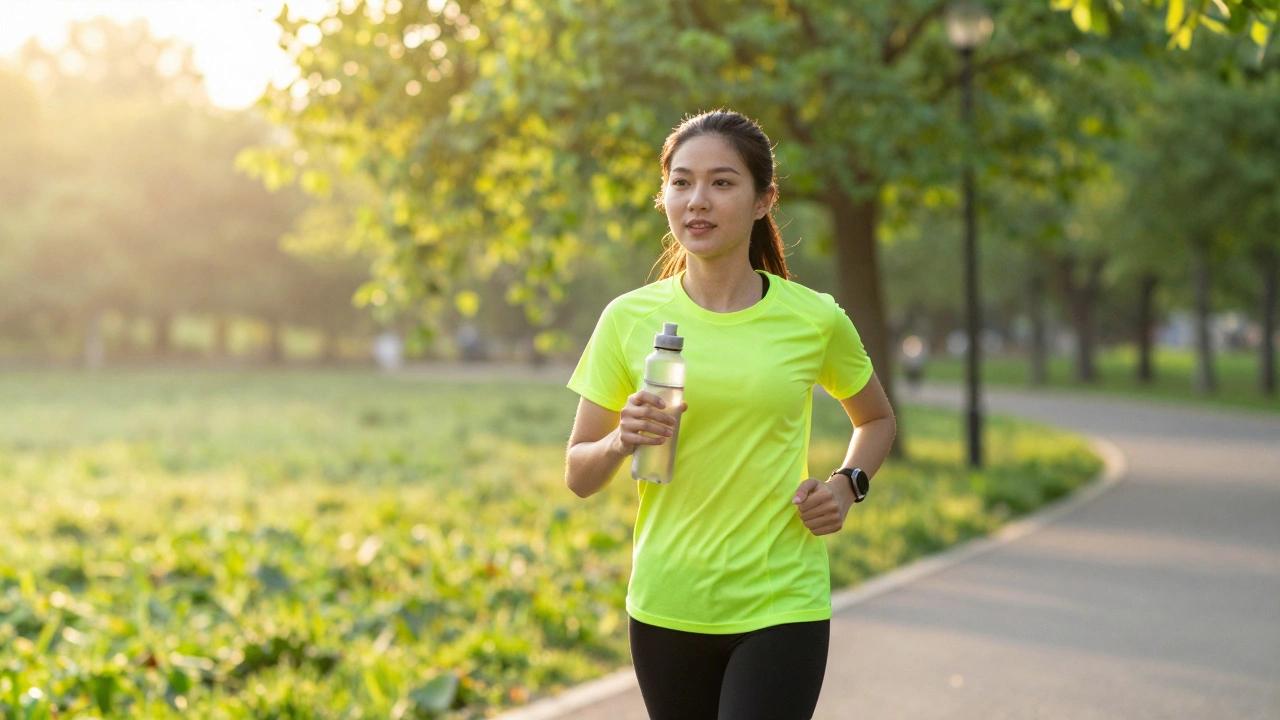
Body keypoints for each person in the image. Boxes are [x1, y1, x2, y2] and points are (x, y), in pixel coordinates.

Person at [563, 109, 897, 720]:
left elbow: (875, 419)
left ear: (764, 198)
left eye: (722, 182)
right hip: (669, 598)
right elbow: (578, 475)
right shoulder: (626, 319)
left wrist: (847, 486)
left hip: (782, 600)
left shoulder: (813, 317)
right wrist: (619, 443)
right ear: (663, 195)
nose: (698, 200)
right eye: (682, 182)